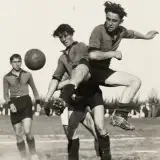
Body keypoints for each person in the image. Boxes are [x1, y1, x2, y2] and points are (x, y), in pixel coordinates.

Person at [87, 1, 159, 130]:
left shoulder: (121, 31)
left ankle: (119, 116)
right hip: (89, 73)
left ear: (120, 22)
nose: (110, 23)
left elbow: (132, 33)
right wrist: (113, 53)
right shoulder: (98, 30)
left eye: (114, 21)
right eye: (108, 19)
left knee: (135, 82)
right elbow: (92, 55)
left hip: (102, 73)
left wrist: (146, 37)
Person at [44, 24, 111, 160]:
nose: (63, 39)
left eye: (66, 35)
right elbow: (55, 79)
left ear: (71, 34)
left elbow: (78, 70)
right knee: (71, 131)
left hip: (92, 92)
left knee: (99, 127)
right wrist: (46, 100)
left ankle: (105, 155)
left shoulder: (80, 46)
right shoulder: (62, 58)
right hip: (77, 96)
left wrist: (66, 85)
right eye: (61, 37)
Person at [3, 54, 41, 160]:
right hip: (14, 104)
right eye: (15, 62)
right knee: (18, 135)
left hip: (26, 102)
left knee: (27, 131)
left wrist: (38, 102)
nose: (17, 64)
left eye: (19, 61)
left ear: (21, 62)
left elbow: (34, 89)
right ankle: (23, 156)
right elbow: (5, 95)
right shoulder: (6, 77)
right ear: (11, 63)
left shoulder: (27, 74)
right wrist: (10, 104)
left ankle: (33, 153)